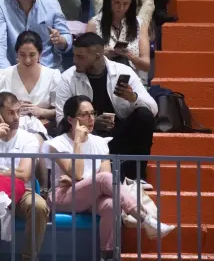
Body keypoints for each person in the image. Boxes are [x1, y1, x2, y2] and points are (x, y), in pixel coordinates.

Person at [48, 94, 172, 257]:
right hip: (63, 196)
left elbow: (105, 180)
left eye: (93, 113)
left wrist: (78, 180)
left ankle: (107, 255)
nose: (91, 118)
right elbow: (78, 172)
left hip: (91, 194)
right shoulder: (56, 144)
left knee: (112, 204)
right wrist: (77, 142)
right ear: (71, 120)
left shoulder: (100, 143)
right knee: (104, 180)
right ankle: (145, 219)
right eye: (85, 114)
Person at [56, 33, 158, 181]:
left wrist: (133, 98)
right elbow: (61, 120)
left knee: (144, 116)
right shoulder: (68, 78)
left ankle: (137, 176)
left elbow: (153, 109)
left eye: (81, 57)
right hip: (88, 137)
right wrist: (91, 122)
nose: (74, 60)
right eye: (75, 55)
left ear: (97, 56)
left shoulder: (123, 71)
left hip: (120, 135)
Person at [0, 92, 49, 261]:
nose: (16, 117)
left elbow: (24, 174)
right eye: (11, 113)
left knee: (39, 206)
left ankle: (29, 257)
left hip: (21, 191)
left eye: (18, 112)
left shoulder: (29, 139)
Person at [0, 31, 62, 130]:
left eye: (32, 55)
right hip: (11, 130)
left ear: (40, 54)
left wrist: (40, 111)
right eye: (22, 55)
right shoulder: (4, 74)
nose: (27, 60)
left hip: (44, 130)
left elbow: (61, 111)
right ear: (17, 54)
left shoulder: (53, 75)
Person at [87, 0, 150, 86]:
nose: (121, 8)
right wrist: (102, 54)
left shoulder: (139, 24)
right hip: (103, 81)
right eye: (116, 3)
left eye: (126, 4)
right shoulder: (94, 24)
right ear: (109, 1)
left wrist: (130, 56)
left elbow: (146, 65)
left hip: (133, 82)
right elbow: (85, 60)